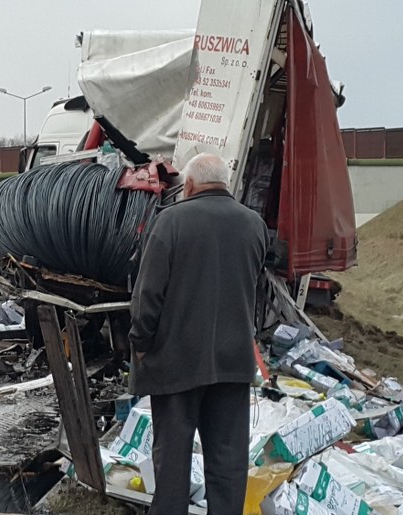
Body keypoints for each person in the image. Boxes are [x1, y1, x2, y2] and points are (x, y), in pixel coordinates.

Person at [129, 153, 269, 514]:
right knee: (228, 463)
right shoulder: (254, 225)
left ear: (189, 185)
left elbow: (148, 296)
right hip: (233, 363)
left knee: (172, 465)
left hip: (177, 363)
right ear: (225, 183)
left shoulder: (170, 222)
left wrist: (141, 343)